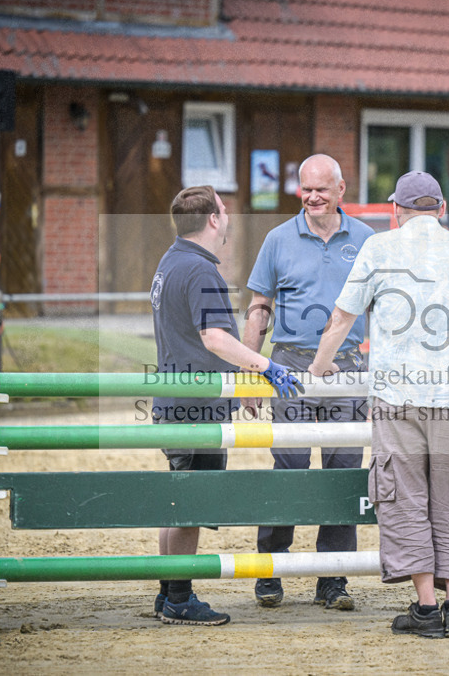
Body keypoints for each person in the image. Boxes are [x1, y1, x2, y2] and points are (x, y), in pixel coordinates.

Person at [309, 171, 449, 639]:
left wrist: (319, 365)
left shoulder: (379, 248)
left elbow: (342, 316)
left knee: (405, 498)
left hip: (398, 399)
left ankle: (425, 606)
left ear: (397, 210)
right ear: (440, 209)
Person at [150, 185, 304, 626]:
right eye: (224, 209)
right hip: (196, 406)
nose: (228, 216)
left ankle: (168, 593)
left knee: (179, 500)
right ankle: (179, 598)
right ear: (213, 220)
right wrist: (265, 366)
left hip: (175, 398)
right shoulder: (201, 271)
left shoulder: (170, 260)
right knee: (192, 505)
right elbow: (215, 337)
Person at [243, 153, 375, 610]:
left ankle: (333, 581)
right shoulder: (278, 239)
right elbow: (259, 308)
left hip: (348, 370)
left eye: (322, 188)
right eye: (306, 189)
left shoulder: (367, 240)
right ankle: (270, 571)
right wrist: (248, 373)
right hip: (288, 369)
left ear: (342, 189)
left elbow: (386, 312)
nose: (313, 196)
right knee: (290, 468)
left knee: (342, 475)